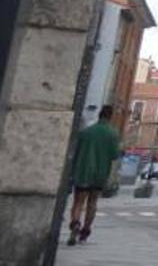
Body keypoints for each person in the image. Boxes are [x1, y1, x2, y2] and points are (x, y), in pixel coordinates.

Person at [66, 105, 122, 246]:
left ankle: (75, 224)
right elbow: (115, 155)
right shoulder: (113, 134)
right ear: (110, 117)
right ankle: (85, 231)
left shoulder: (86, 132)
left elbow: (75, 152)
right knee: (92, 203)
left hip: (83, 171)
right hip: (100, 173)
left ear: (99, 115)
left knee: (78, 202)